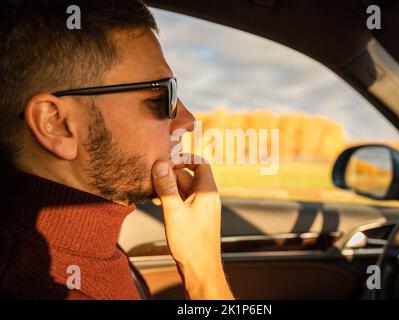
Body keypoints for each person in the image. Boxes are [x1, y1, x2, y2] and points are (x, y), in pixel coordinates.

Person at [0, 0, 234, 300]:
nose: (188, 120)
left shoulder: (88, 241)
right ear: (57, 124)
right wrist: (204, 275)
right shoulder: (43, 287)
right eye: (162, 96)